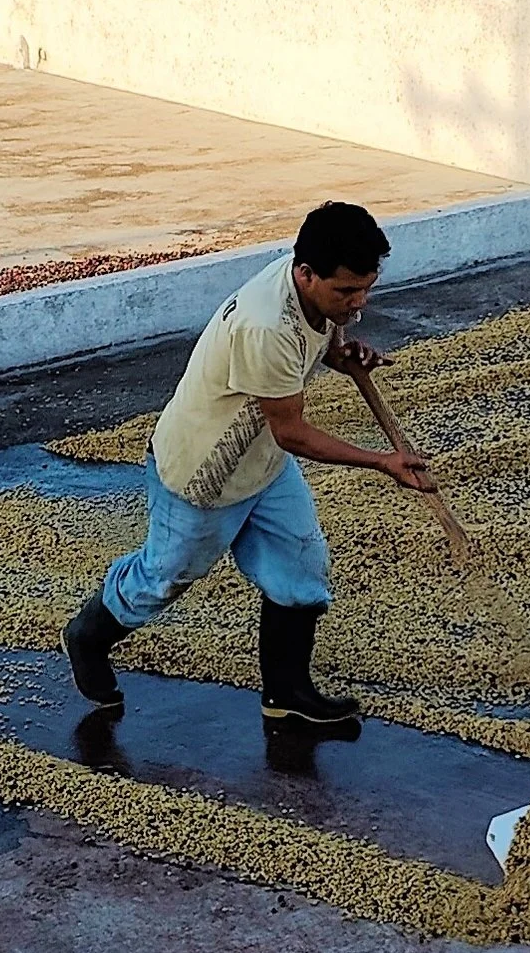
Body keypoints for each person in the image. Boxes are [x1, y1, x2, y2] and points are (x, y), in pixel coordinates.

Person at [61, 202, 435, 727]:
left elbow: (314, 345)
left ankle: (286, 692)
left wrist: (340, 354)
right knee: (163, 577)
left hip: (263, 463)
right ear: (305, 273)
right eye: (346, 292)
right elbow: (293, 432)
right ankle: (88, 635)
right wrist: (381, 461)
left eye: (366, 287)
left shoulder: (310, 291)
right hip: (204, 475)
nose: (359, 303)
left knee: (301, 568)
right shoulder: (266, 326)